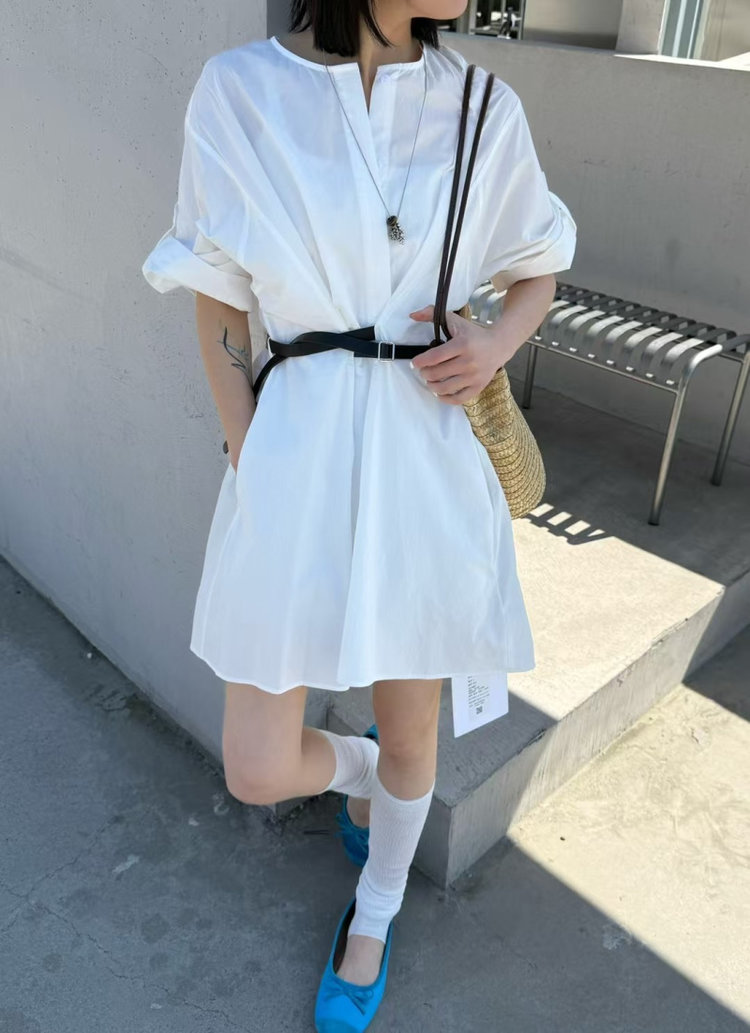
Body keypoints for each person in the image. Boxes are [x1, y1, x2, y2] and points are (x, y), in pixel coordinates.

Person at [141, 2, 577, 1029]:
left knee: (415, 717)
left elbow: (538, 262)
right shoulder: (241, 91)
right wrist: (249, 452)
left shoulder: (481, 104)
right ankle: (376, 774)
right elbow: (216, 291)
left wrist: (495, 344)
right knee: (257, 765)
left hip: (425, 448)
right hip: (294, 448)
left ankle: (374, 912)